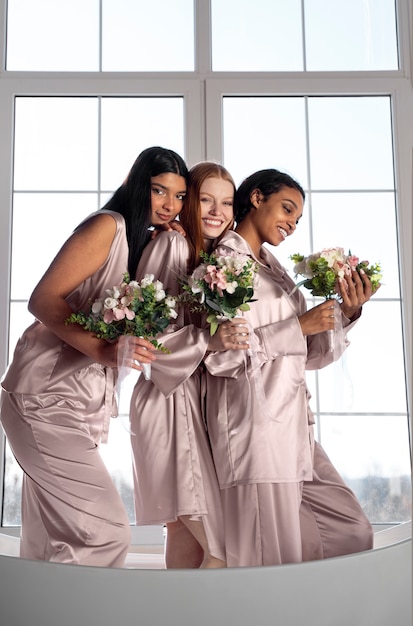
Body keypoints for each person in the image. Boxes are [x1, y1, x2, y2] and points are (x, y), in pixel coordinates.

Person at [0, 146, 188, 567]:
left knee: (51, 548)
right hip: (43, 397)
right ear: (135, 183)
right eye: (159, 191)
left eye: (178, 197)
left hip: (78, 406)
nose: (168, 205)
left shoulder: (147, 246)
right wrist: (105, 349)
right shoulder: (108, 226)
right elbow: (42, 299)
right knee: (105, 533)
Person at [203, 168, 376, 567]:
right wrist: (298, 325)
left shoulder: (276, 272)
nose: (293, 224)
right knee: (264, 561)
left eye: (298, 219)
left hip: (295, 429)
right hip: (255, 431)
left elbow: (311, 355)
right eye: (287, 209)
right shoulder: (223, 266)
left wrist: (347, 313)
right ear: (256, 198)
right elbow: (220, 358)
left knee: (350, 532)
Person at [129, 162, 248, 568]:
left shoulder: (210, 260)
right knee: (220, 551)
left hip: (189, 398)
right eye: (206, 200)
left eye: (227, 203)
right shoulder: (172, 247)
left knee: (187, 536)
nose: (217, 211)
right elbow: (145, 335)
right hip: (167, 400)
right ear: (187, 203)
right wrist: (210, 339)